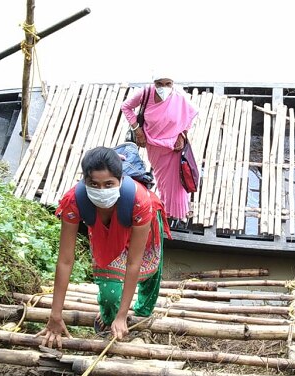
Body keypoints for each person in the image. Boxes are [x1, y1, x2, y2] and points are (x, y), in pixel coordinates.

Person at [36, 147, 170, 347]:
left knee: (149, 274)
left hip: (143, 225)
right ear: (84, 182)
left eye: (109, 184)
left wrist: (123, 316)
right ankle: (108, 319)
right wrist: (55, 315)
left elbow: (134, 262)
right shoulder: (73, 201)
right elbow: (65, 260)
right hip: (104, 235)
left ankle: (142, 313)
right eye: (94, 184)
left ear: (121, 181)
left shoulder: (140, 200)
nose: (101, 191)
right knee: (109, 294)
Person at [121, 74, 198, 220]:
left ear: (173, 83)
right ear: (154, 83)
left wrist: (182, 135)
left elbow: (189, 115)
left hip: (174, 146)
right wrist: (137, 130)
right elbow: (126, 107)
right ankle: (167, 209)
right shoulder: (145, 93)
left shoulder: (179, 95)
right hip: (153, 144)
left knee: (178, 181)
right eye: (159, 83)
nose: (164, 87)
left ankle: (177, 212)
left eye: (168, 83)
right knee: (162, 180)